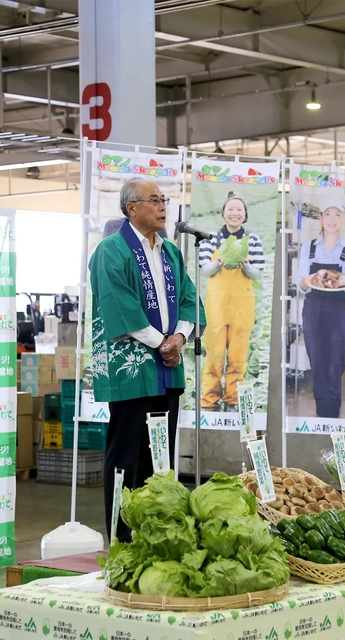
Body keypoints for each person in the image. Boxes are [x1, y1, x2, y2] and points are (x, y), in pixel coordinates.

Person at [89, 178, 204, 541]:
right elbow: (119, 304)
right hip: (133, 370)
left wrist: (181, 337)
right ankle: (121, 536)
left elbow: (189, 298)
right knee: (127, 454)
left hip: (167, 370)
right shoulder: (111, 250)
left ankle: (155, 531)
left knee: (160, 456)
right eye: (153, 200)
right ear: (131, 208)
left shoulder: (171, 251)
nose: (162, 206)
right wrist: (162, 343)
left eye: (163, 199)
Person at [197, 192, 265, 412]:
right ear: (223, 213)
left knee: (238, 356)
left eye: (239, 210)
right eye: (231, 209)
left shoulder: (252, 240)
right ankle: (209, 400)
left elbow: (256, 274)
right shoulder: (211, 238)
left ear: (245, 215)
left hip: (242, 304)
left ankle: (233, 398)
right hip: (216, 304)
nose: (235, 213)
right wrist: (219, 262)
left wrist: (245, 265)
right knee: (214, 355)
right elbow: (205, 269)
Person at [294, 196, 345, 418]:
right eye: (328, 214)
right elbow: (302, 285)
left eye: (337, 215)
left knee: (335, 366)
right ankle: (324, 416)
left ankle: (330, 416)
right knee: (318, 364)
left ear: (342, 219)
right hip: (313, 309)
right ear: (321, 218)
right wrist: (308, 280)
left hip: (338, 310)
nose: (332, 219)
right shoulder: (309, 248)